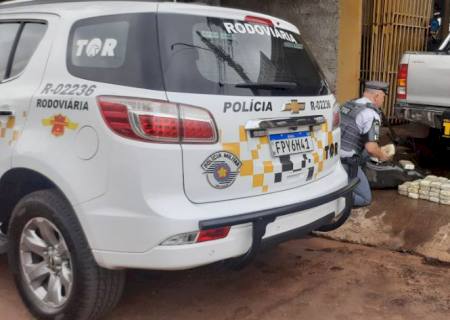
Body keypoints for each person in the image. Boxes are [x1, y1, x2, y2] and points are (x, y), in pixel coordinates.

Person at [340, 81, 393, 207]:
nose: (383, 101)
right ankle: (333, 199)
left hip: (331, 154)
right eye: (383, 97)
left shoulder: (347, 105)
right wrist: (382, 156)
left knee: (365, 150)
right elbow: (371, 148)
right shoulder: (371, 114)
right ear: (376, 96)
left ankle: (352, 178)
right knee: (365, 198)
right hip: (346, 161)